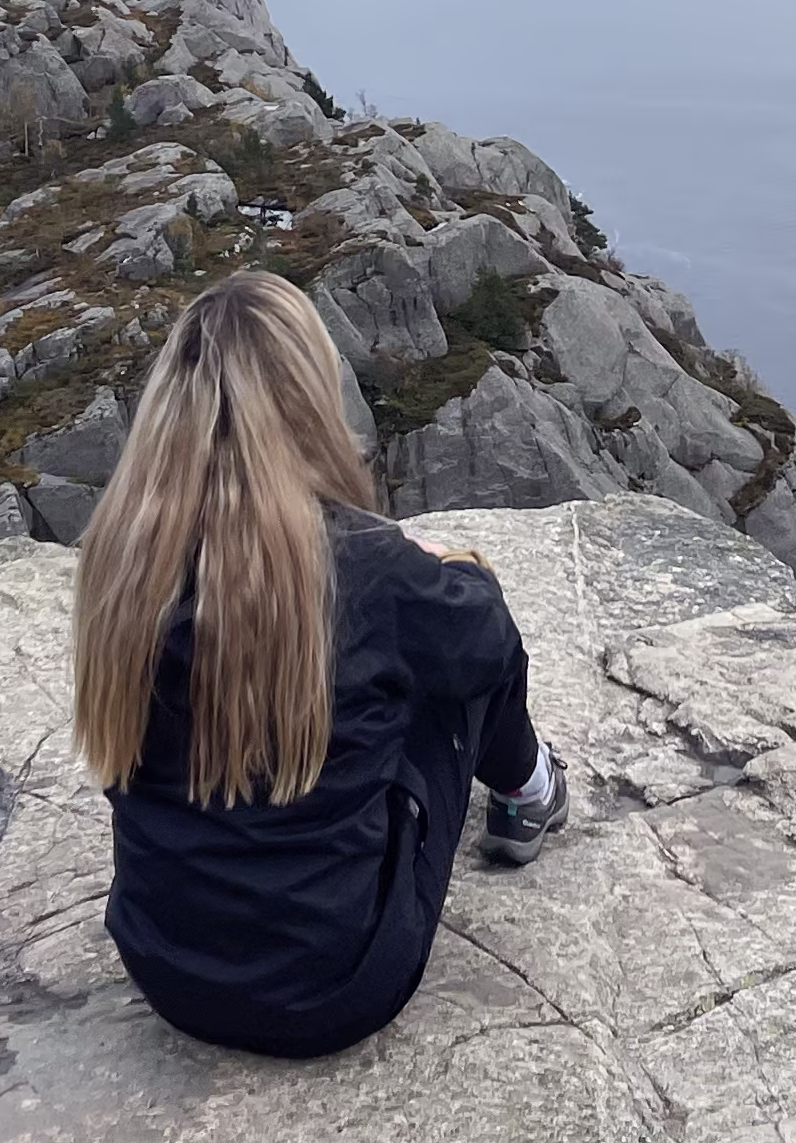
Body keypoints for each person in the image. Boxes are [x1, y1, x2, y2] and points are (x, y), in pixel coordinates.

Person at [69, 268, 570, 1058]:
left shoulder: (119, 558)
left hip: (161, 966)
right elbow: (486, 647)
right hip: (336, 988)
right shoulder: (363, 564)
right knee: (466, 621)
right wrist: (442, 572)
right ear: (306, 400)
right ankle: (528, 790)